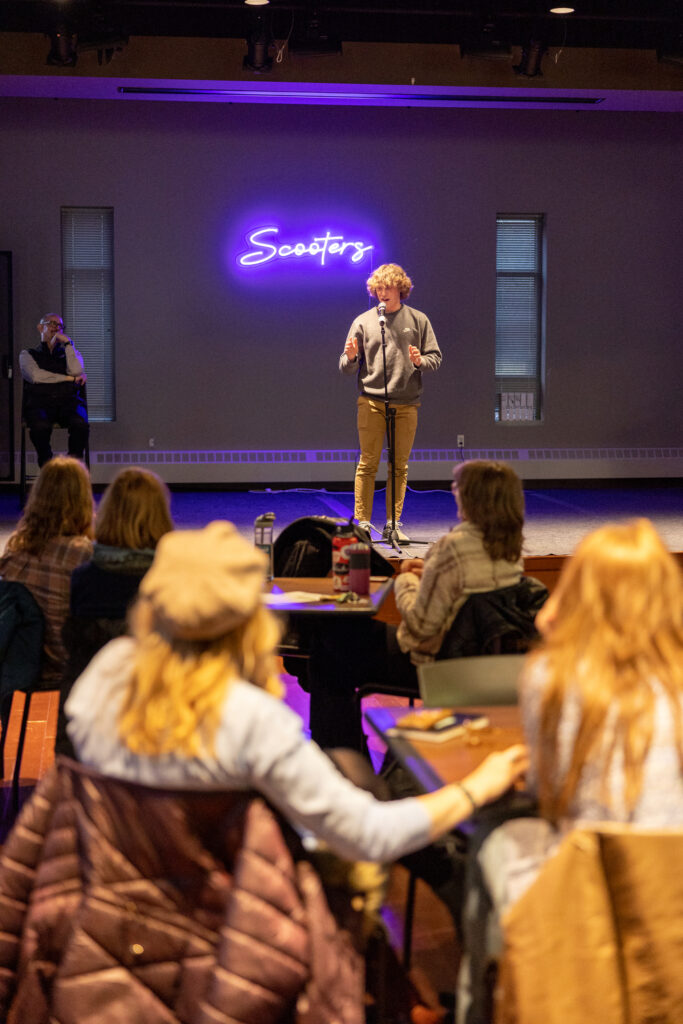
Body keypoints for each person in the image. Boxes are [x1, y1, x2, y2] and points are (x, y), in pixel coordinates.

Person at [65, 520, 528, 871]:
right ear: (252, 618)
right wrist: (476, 786)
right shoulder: (251, 722)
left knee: (344, 741)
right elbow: (370, 836)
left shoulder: (105, 676)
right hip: (228, 917)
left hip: (112, 884)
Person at [458, 518, 683, 1024]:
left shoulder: (552, 677)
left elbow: (549, 795)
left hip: (590, 878)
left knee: (490, 835)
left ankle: (488, 1000)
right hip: (673, 891)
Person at [308, 460, 535, 753]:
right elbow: (469, 589)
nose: (455, 492)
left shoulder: (452, 547)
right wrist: (431, 571)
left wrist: (405, 581)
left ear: (471, 497)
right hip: (483, 660)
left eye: (459, 488)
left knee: (328, 647)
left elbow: (419, 626)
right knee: (337, 643)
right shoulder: (511, 547)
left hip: (434, 663)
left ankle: (341, 755)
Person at [57, 467, 174, 756]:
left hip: (89, 720)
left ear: (108, 514)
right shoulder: (174, 581)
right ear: (160, 515)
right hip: (163, 723)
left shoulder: (83, 578)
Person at [339, 263, 441, 542]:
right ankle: (362, 523)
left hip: (406, 403)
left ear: (400, 288)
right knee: (367, 463)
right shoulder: (363, 321)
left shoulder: (418, 320)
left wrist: (421, 361)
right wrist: (349, 357)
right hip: (371, 402)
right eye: (378, 288)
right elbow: (345, 366)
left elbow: (435, 358)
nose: (382, 293)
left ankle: (393, 524)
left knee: (399, 466)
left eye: (387, 288)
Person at [0, 457, 94, 681]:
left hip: (22, 669)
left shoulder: (14, 549)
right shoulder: (82, 553)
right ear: (83, 499)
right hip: (65, 673)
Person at [19, 313, 89, 467]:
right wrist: (68, 379)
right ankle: (48, 467)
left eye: (59, 325)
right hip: (40, 403)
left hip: (67, 402)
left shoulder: (69, 353)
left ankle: (72, 467)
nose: (56, 328)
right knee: (40, 427)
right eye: (51, 323)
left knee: (80, 423)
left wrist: (69, 343)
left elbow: (77, 371)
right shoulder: (27, 355)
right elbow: (36, 376)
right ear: (40, 327)